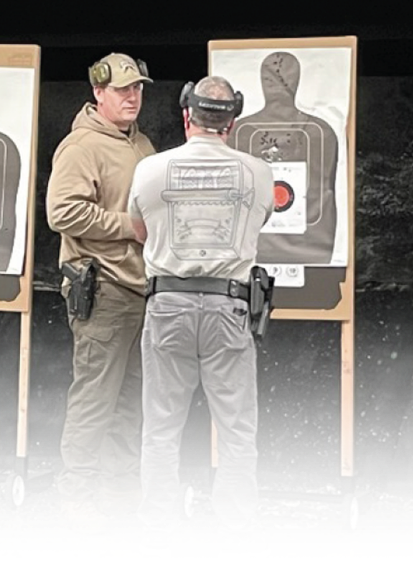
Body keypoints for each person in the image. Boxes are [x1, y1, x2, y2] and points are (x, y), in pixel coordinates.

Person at [129, 76, 274, 555]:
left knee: (161, 426)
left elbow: (138, 227)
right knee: (235, 428)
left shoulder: (151, 169)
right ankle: (237, 532)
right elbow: (264, 219)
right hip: (228, 306)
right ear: (231, 121)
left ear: (186, 115)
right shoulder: (257, 172)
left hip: (166, 303)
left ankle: (156, 529)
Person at [45, 53, 156, 535]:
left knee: (129, 396)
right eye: (121, 91)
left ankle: (120, 484)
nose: (131, 97)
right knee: (95, 395)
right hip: (103, 285)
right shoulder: (81, 146)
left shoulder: (142, 143)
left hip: (138, 285)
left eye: (137, 89)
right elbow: (62, 212)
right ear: (98, 93)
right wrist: (127, 227)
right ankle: (76, 495)